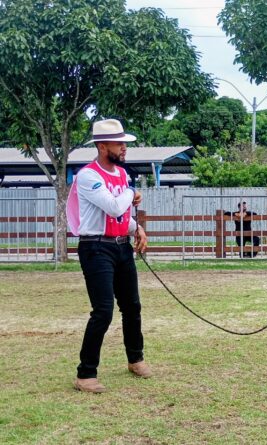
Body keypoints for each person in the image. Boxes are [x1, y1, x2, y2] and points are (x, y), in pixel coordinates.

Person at [67, 118, 151, 393]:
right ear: (102, 146)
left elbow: (119, 217)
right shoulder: (88, 176)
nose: (124, 148)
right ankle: (85, 374)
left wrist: (136, 227)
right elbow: (114, 207)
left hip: (120, 245)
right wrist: (130, 193)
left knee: (132, 306)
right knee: (103, 311)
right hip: (95, 248)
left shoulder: (123, 176)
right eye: (119, 143)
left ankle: (135, 359)